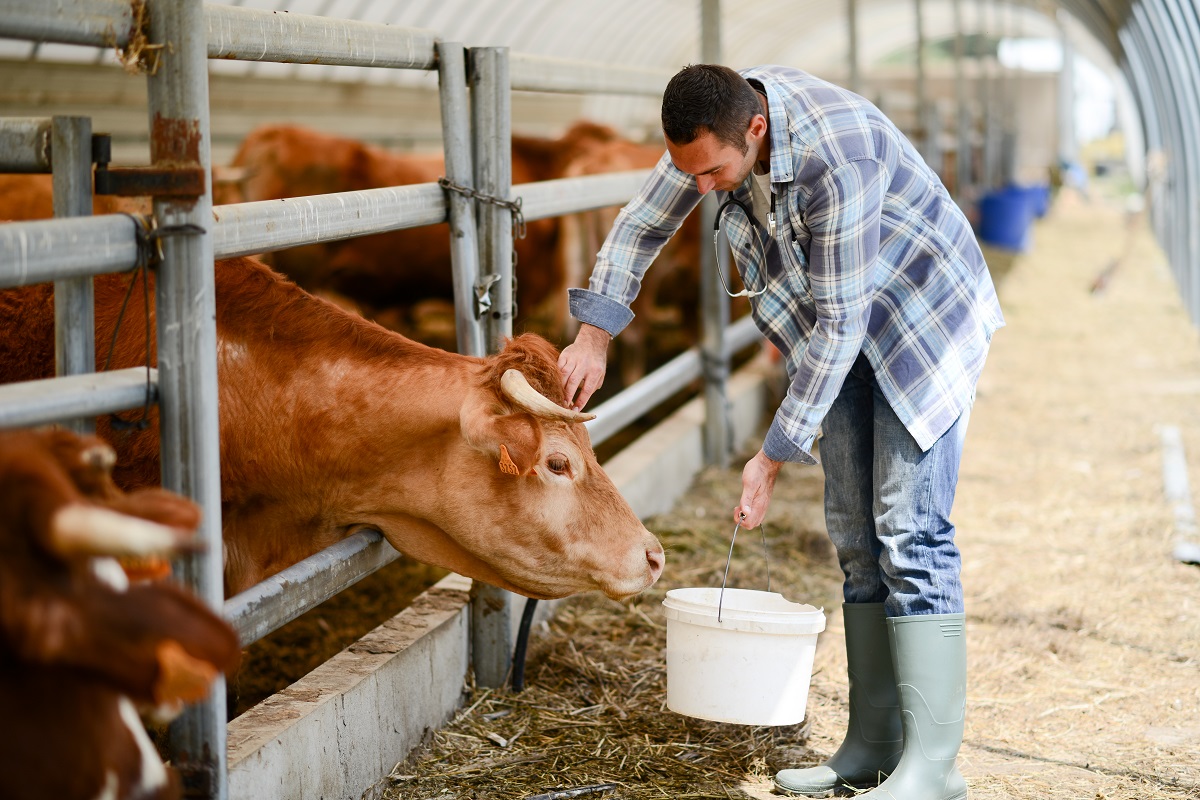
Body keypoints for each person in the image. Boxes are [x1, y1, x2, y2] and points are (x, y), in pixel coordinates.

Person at [558, 64, 1003, 800]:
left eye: (712, 172)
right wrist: (595, 335)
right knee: (855, 536)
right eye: (687, 170)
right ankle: (871, 745)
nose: (700, 187)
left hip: (922, 320)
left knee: (907, 529)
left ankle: (933, 767)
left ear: (755, 130)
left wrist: (769, 456)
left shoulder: (840, 155)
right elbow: (642, 223)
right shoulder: (714, 135)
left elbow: (841, 324)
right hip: (844, 321)